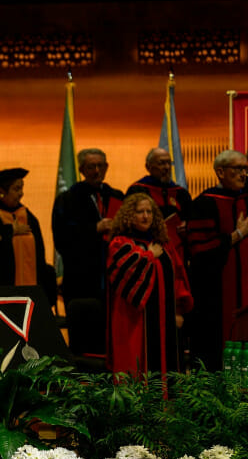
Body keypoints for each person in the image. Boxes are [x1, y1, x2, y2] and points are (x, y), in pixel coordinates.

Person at [106, 193, 192, 377]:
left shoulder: (164, 245)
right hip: (134, 322)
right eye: (139, 212)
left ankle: (168, 404)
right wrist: (149, 256)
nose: (146, 216)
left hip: (166, 321)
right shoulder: (120, 243)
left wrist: (177, 310)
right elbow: (125, 279)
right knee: (136, 367)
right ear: (129, 215)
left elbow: (178, 277)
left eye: (149, 212)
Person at [186, 149, 248, 369]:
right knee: (214, 350)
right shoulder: (204, 203)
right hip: (215, 293)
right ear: (220, 172)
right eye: (238, 169)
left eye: (245, 169)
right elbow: (201, 251)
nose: (243, 174)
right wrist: (237, 234)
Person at [52, 148, 125, 306]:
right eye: (91, 167)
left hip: (114, 275)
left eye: (101, 166)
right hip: (81, 277)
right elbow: (61, 238)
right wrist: (94, 229)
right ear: (81, 170)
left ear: (106, 167)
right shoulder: (67, 199)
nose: (97, 171)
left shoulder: (117, 197)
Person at [0, 167, 48, 289]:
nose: (21, 193)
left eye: (21, 188)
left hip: (29, 289)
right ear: (1, 192)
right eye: (16, 189)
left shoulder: (27, 216)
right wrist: (10, 231)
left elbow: (40, 254)